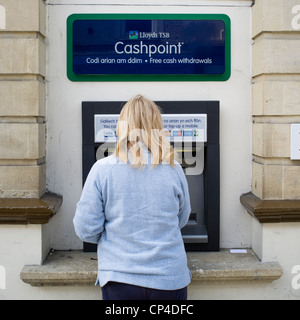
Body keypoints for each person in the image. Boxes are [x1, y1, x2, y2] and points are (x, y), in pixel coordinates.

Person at [73, 95, 192, 300]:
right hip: (169, 278)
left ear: (121, 126)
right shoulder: (174, 168)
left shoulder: (102, 169)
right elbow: (182, 219)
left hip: (121, 280)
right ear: (157, 126)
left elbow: (86, 229)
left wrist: (116, 238)